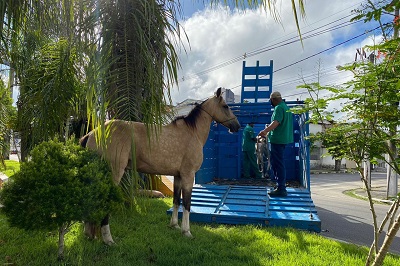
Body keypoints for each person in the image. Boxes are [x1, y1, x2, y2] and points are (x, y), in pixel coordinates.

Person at [258, 91, 293, 197]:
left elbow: (276, 122)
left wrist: (265, 131)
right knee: (278, 163)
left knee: (278, 164)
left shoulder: (278, 108)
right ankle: (280, 186)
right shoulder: (286, 108)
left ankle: (281, 188)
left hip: (277, 140)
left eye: (271, 101)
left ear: (273, 99)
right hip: (283, 139)